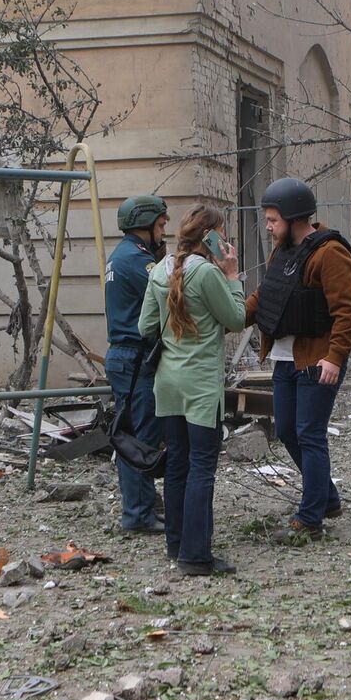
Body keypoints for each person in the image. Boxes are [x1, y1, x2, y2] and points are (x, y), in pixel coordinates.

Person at [244, 178, 351, 543]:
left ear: (294, 218)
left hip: (317, 361)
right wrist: (229, 316)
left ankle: (310, 517)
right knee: (288, 431)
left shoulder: (329, 253)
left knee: (310, 435)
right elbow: (267, 296)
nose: (268, 225)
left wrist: (335, 357)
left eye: (273, 219)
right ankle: (327, 498)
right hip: (284, 360)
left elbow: (347, 311)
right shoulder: (281, 252)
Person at [139, 206, 246, 576]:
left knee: (178, 463)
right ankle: (196, 555)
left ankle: (176, 543)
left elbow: (144, 326)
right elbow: (235, 318)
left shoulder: (159, 272)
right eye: (221, 233)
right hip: (200, 384)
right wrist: (232, 276)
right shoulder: (208, 274)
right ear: (210, 237)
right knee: (202, 466)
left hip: (167, 383)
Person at [105, 193, 171, 533]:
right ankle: (138, 515)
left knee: (137, 434)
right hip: (134, 357)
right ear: (144, 225)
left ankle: (143, 509)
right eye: (160, 225)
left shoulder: (124, 254)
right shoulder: (136, 260)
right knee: (138, 440)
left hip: (127, 356)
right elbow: (171, 293)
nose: (163, 231)